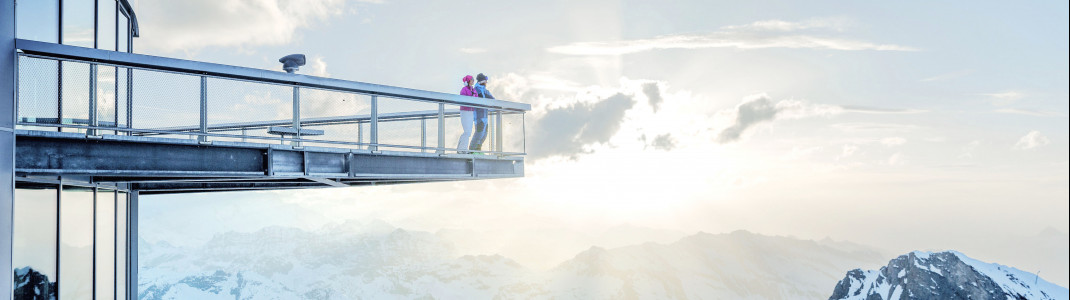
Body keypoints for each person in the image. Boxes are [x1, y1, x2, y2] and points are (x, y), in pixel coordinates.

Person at [468, 73, 495, 152]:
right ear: (483, 81)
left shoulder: (485, 90)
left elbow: (493, 99)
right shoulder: (476, 89)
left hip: (485, 115)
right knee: (479, 132)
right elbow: (474, 100)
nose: (486, 83)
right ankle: (472, 150)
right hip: (479, 115)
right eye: (486, 81)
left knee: (485, 133)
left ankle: (478, 149)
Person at [457, 75, 479, 153]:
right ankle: (462, 149)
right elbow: (463, 100)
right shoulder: (464, 90)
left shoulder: (473, 90)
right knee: (467, 131)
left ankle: (461, 148)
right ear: (468, 81)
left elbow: (476, 99)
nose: (473, 81)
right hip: (465, 111)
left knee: (468, 131)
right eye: (471, 79)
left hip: (471, 111)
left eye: (473, 79)